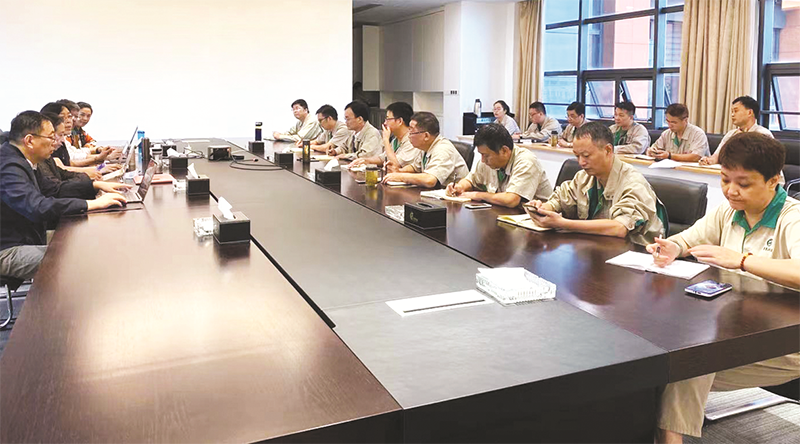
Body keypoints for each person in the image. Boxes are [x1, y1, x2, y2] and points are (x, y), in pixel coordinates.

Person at [646, 132, 800, 444]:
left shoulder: (792, 217)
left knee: (685, 367)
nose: (731, 191)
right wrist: (673, 247)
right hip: (737, 330)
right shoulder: (729, 211)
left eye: (744, 184)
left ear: (774, 181)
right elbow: (689, 238)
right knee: (661, 365)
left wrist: (742, 261)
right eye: (725, 179)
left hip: (785, 343)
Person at [0, 111, 128, 279]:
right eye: (51, 137)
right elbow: (37, 206)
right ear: (30, 141)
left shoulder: (26, 159)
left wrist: (93, 186)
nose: (56, 142)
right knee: (76, 258)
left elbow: (53, 189)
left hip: (28, 236)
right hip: (8, 248)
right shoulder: (9, 166)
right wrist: (90, 204)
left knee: (92, 242)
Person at [526, 122, 664, 246]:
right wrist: (543, 209)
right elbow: (560, 199)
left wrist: (563, 224)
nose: (581, 162)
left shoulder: (633, 183)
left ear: (608, 150)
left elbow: (619, 228)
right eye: (577, 156)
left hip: (636, 255)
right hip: (596, 250)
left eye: (586, 156)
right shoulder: (584, 177)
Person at [446, 123, 552, 208]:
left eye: (486, 155)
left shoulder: (526, 161)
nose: (483, 160)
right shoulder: (488, 161)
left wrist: (477, 195)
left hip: (537, 220)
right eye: (481, 155)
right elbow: (471, 180)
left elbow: (511, 200)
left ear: (504, 150)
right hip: (504, 215)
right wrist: (460, 187)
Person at [383, 112, 469, 188]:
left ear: (426, 136)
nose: (409, 135)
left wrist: (400, 176)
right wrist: (398, 171)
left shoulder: (443, 149)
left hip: (453, 196)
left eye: (412, 131)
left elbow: (430, 180)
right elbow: (415, 167)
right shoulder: (425, 147)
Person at [700, 96, 774, 165]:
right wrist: (709, 160)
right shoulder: (731, 134)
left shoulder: (763, 134)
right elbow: (717, 155)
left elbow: (760, 162)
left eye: (736, 111)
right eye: (732, 112)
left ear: (749, 112)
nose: (732, 115)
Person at [37, 113, 95, 198]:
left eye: (70, 116)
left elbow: (63, 173)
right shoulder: (24, 165)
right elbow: (55, 189)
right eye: (51, 137)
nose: (70, 120)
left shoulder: (81, 133)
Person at [350, 102, 420, 171]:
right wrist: (365, 160)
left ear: (399, 121)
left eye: (388, 119)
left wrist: (386, 140)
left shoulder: (412, 140)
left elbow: (395, 164)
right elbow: (382, 158)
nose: (385, 123)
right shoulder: (396, 140)